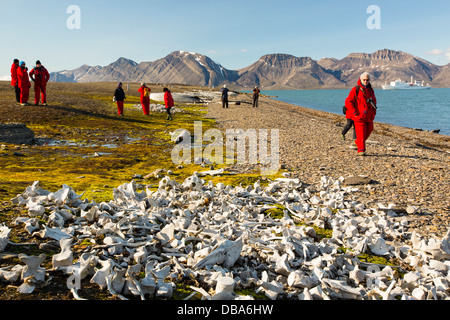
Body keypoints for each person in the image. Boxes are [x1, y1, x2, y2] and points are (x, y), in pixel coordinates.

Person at [345, 72, 377, 156]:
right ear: (360, 79)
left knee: (369, 129)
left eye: (367, 80)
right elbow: (349, 102)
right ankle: (361, 150)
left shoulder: (370, 90)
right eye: (364, 80)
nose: (366, 81)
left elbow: (374, 101)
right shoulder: (355, 89)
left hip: (369, 116)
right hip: (359, 116)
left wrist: (374, 113)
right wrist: (355, 113)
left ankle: (357, 142)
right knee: (361, 134)